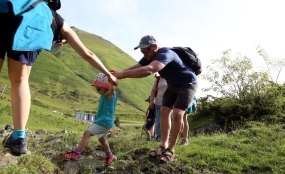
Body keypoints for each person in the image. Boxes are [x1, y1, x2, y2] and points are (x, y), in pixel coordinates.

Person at [1, 1, 117, 156]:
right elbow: (87, 53)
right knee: (20, 81)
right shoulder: (54, 17)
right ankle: (19, 137)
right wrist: (107, 73)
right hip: (34, 28)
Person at [110, 35, 198, 163]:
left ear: (155, 47)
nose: (144, 54)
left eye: (146, 50)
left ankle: (171, 150)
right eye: (142, 51)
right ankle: (163, 145)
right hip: (172, 85)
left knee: (178, 114)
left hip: (188, 84)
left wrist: (122, 75)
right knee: (163, 112)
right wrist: (117, 74)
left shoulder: (166, 54)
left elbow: (150, 70)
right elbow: (136, 67)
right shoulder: (149, 55)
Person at [60, 73, 118, 166]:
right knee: (102, 139)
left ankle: (76, 153)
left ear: (106, 86)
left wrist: (111, 79)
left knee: (87, 133)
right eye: (96, 88)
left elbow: (112, 88)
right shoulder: (105, 95)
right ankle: (110, 155)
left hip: (104, 122)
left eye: (99, 88)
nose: (97, 90)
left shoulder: (109, 94)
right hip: (106, 122)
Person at [149, 73, 168, 141]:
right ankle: (158, 138)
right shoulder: (158, 78)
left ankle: (167, 137)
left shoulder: (173, 77)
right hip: (158, 102)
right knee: (158, 122)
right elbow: (153, 90)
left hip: (170, 104)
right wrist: (151, 101)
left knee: (169, 120)